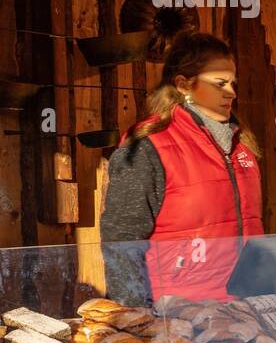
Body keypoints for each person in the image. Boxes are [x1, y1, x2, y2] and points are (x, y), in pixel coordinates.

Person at [102, 33, 264, 305]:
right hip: (176, 312)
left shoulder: (242, 147)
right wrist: (136, 316)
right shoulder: (149, 145)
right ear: (184, 85)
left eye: (232, 83)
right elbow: (121, 240)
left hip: (243, 306)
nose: (231, 93)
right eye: (220, 84)